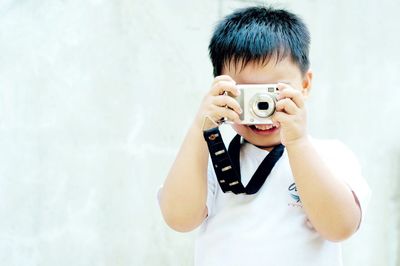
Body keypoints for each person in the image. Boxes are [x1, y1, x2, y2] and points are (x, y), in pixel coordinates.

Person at [158, 6, 370, 266]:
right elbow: (179, 219)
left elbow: (340, 228)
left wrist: (298, 143)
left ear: (305, 85)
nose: (262, 109)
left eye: (273, 93)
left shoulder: (331, 155)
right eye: (246, 94)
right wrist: (200, 130)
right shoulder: (211, 159)